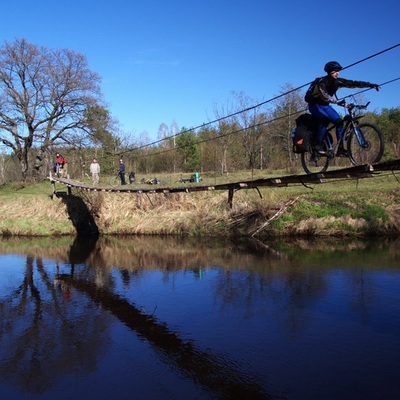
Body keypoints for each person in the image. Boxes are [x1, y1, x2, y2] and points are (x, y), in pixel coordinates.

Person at [305, 61, 380, 157]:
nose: (338, 73)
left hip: (326, 106)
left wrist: (370, 85)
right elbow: (325, 96)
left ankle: (340, 149)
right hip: (314, 105)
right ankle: (317, 144)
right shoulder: (322, 82)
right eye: (335, 71)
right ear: (329, 72)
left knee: (339, 122)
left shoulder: (338, 82)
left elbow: (353, 83)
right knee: (325, 120)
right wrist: (338, 102)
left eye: (338, 71)